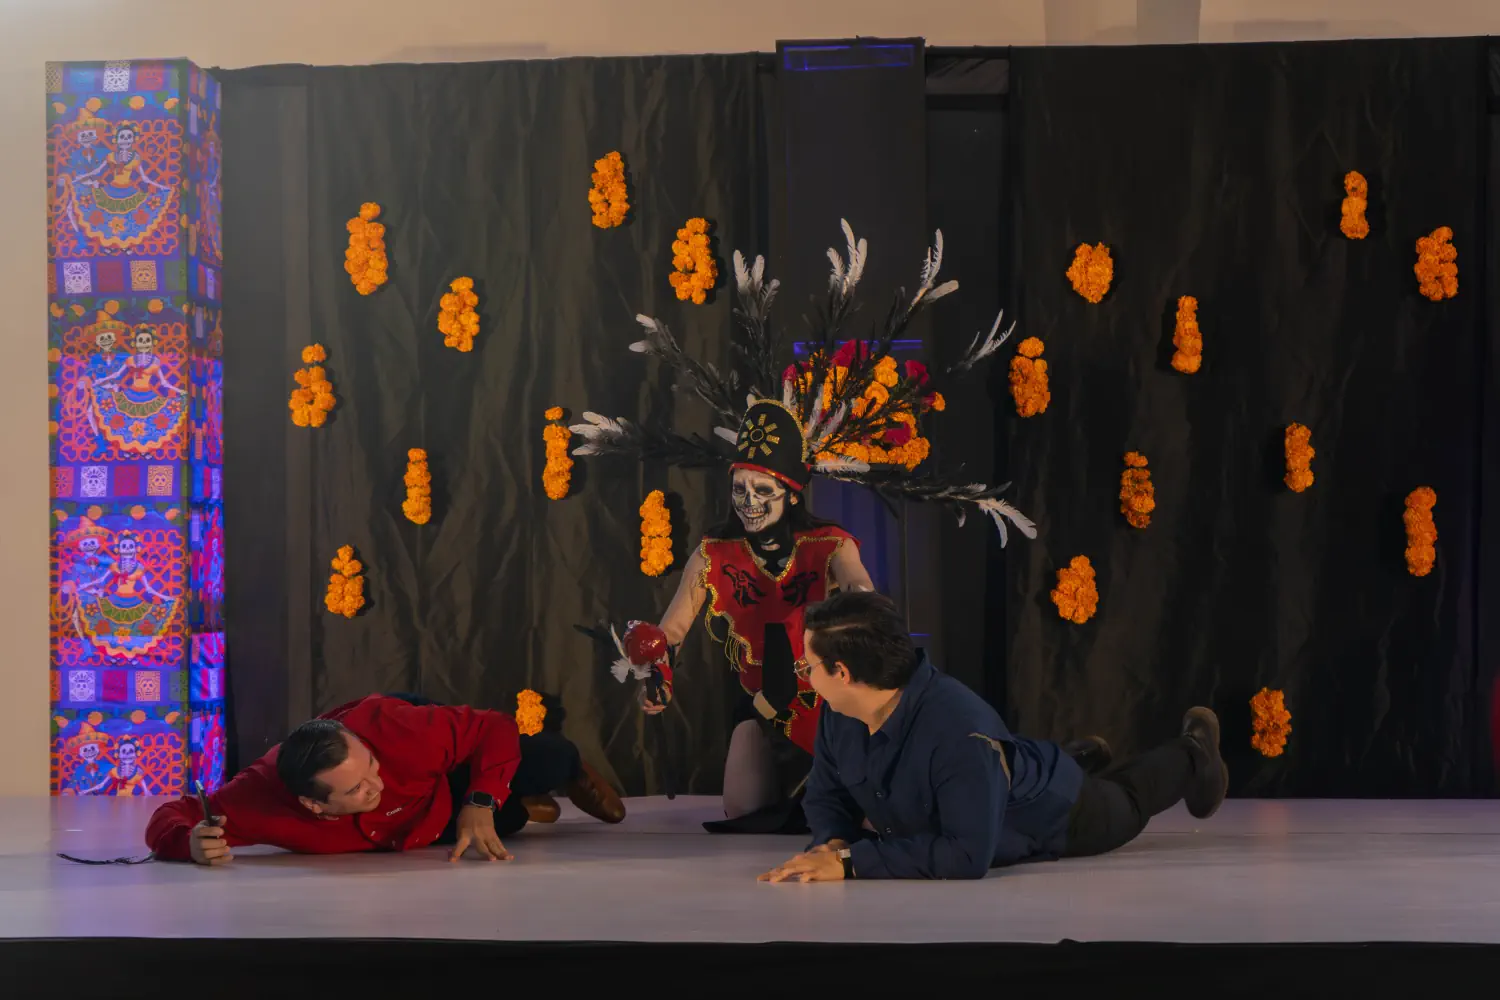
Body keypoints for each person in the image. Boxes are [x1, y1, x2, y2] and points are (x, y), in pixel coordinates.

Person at [569, 221, 1037, 834]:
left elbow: (859, 584)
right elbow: (676, 626)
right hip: (763, 703)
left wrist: (863, 605)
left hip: (835, 700)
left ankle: (1020, 771)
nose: (749, 502)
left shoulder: (828, 545)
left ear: (790, 494)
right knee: (744, 809)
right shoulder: (714, 554)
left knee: (886, 804)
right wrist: (656, 666)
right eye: (740, 489)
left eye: (762, 491)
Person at [758, 591, 1228, 882]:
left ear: (842, 672)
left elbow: (966, 855)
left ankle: (1192, 751)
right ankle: (1078, 755)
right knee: (1003, 764)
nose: (805, 677)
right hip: (996, 770)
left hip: (1057, 811)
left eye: (808, 666)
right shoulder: (840, 713)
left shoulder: (960, 732)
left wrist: (852, 863)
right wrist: (834, 842)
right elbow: (826, 795)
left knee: (1125, 800)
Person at [145, 693, 625, 866]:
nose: (375, 786)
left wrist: (480, 799)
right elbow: (174, 815)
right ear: (313, 805)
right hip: (417, 825)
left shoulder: (397, 733)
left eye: (370, 766)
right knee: (510, 820)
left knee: (549, 757)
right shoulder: (257, 798)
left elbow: (493, 727)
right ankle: (522, 805)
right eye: (355, 789)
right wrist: (188, 844)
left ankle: (567, 775)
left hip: (433, 774)